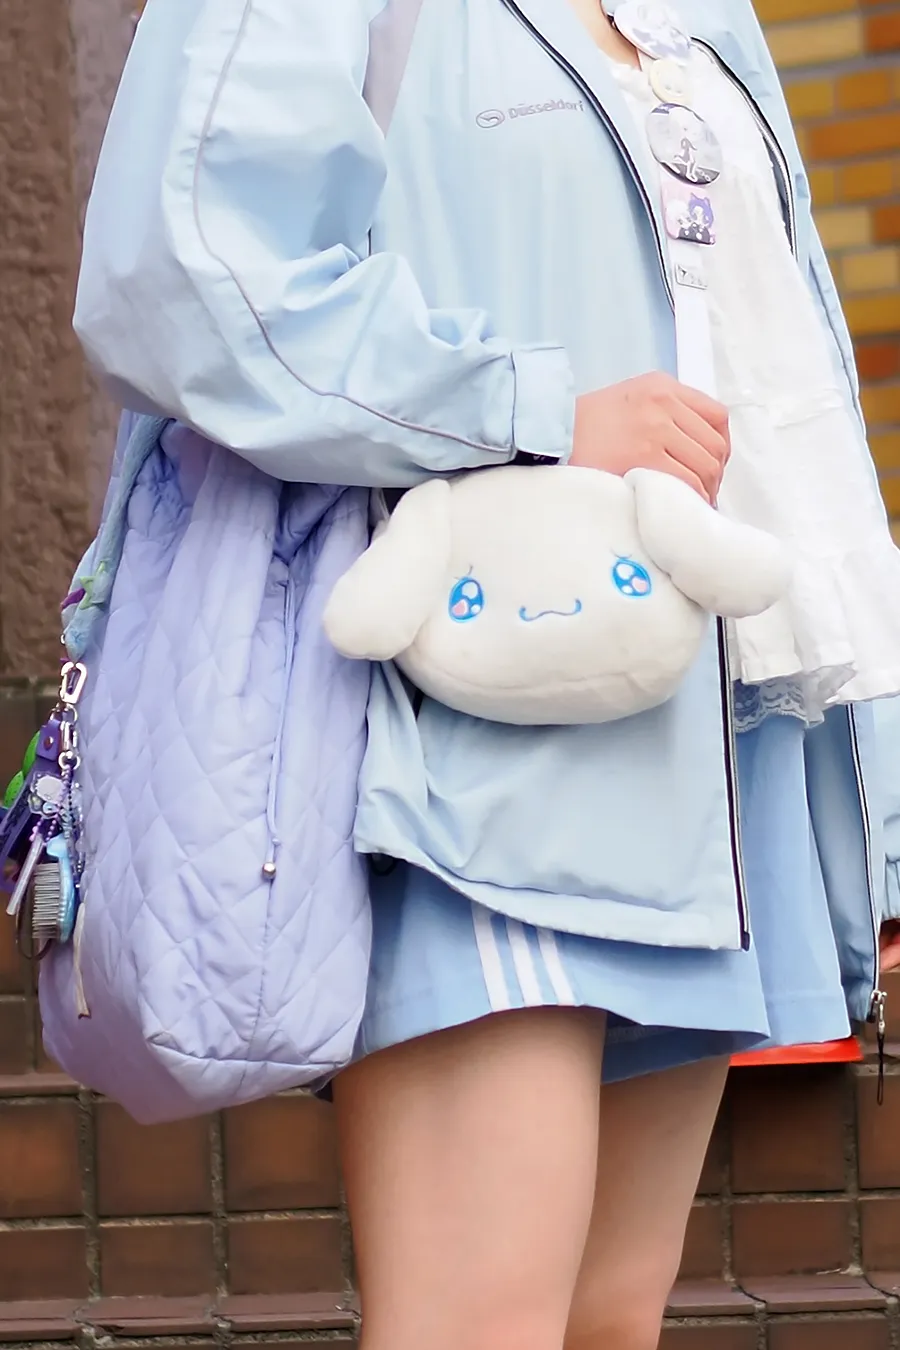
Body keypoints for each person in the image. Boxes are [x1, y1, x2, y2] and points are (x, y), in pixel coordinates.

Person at [73, 1, 900, 1347]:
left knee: (605, 1321)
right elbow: (189, 273)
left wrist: (873, 799)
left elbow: (787, 380)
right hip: (469, 720)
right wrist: (530, 409)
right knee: (481, 1323)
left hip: (709, 744)